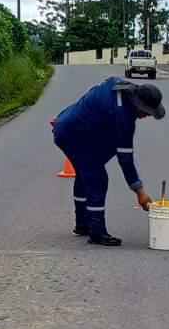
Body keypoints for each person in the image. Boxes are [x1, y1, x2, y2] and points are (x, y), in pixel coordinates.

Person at [51, 77, 163, 246]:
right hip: (74, 135)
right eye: (147, 111)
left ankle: (82, 224)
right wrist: (140, 192)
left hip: (65, 125)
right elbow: (125, 158)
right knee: (97, 180)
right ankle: (96, 232)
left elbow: (93, 94)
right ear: (137, 103)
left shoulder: (118, 85)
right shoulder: (123, 118)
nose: (147, 116)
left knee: (84, 175)